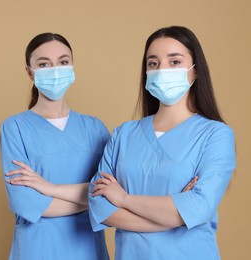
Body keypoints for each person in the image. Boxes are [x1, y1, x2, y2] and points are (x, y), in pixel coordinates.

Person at [89, 26, 236, 259]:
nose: (162, 70)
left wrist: (124, 199)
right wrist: (173, 217)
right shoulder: (123, 134)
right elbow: (100, 207)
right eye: (153, 63)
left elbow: (199, 207)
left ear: (195, 70)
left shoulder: (215, 135)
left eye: (175, 62)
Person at [0, 33, 110, 260]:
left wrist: (48, 188)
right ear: (29, 72)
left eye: (63, 62)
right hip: (38, 249)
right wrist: (92, 200)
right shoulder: (15, 128)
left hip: (88, 250)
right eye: (43, 64)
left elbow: (112, 192)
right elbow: (26, 203)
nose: (55, 70)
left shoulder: (95, 129)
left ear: (72, 66)